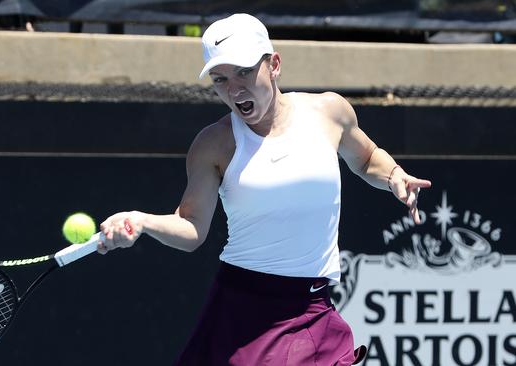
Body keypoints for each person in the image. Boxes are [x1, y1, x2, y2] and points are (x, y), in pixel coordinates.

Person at [98, 13, 432, 366]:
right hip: (243, 310)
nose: (234, 88)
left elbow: (365, 159)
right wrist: (142, 221)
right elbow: (191, 227)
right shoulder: (213, 145)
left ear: (274, 64)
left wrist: (394, 173)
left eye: (244, 71)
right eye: (220, 79)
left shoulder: (329, 112)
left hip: (314, 309)